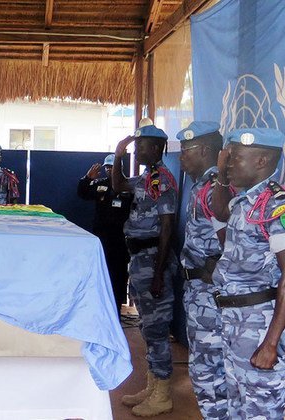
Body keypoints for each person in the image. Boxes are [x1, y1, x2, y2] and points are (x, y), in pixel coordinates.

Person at [211, 128, 285, 419]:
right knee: (238, 407)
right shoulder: (243, 202)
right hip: (234, 323)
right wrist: (222, 174)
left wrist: (271, 343)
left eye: (236, 158)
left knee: (261, 411)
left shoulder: (279, 206)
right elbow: (217, 212)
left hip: (259, 325)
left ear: (262, 161)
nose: (229, 163)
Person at [112, 119, 178, 416]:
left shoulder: (162, 180)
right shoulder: (146, 178)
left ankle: (162, 393)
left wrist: (158, 275)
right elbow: (117, 185)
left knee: (157, 329)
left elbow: (167, 227)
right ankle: (152, 386)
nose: (136, 151)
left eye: (140, 146)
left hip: (153, 261)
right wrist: (118, 155)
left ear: (155, 148)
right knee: (147, 327)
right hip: (140, 260)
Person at [177, 122, 231, 419]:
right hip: (198, 292)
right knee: (205, 371)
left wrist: (219, 264)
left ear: (207, 151)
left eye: (187, 151)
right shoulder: (201, 186)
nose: (182, 157)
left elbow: (238, 240)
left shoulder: (216, 189)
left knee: (210, 374)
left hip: (212, 295)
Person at [77, 153, 132, 312]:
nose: (109, 170)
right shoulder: (100, 184)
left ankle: (116, 311)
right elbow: (82, 193)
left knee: (119, 276)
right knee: (101, 274)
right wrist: (87, 178)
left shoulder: (129, 186)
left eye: (112, 167)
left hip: (121, 240)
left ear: (120, 167)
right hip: (102, 238)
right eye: (107, 167)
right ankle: (100, 310)